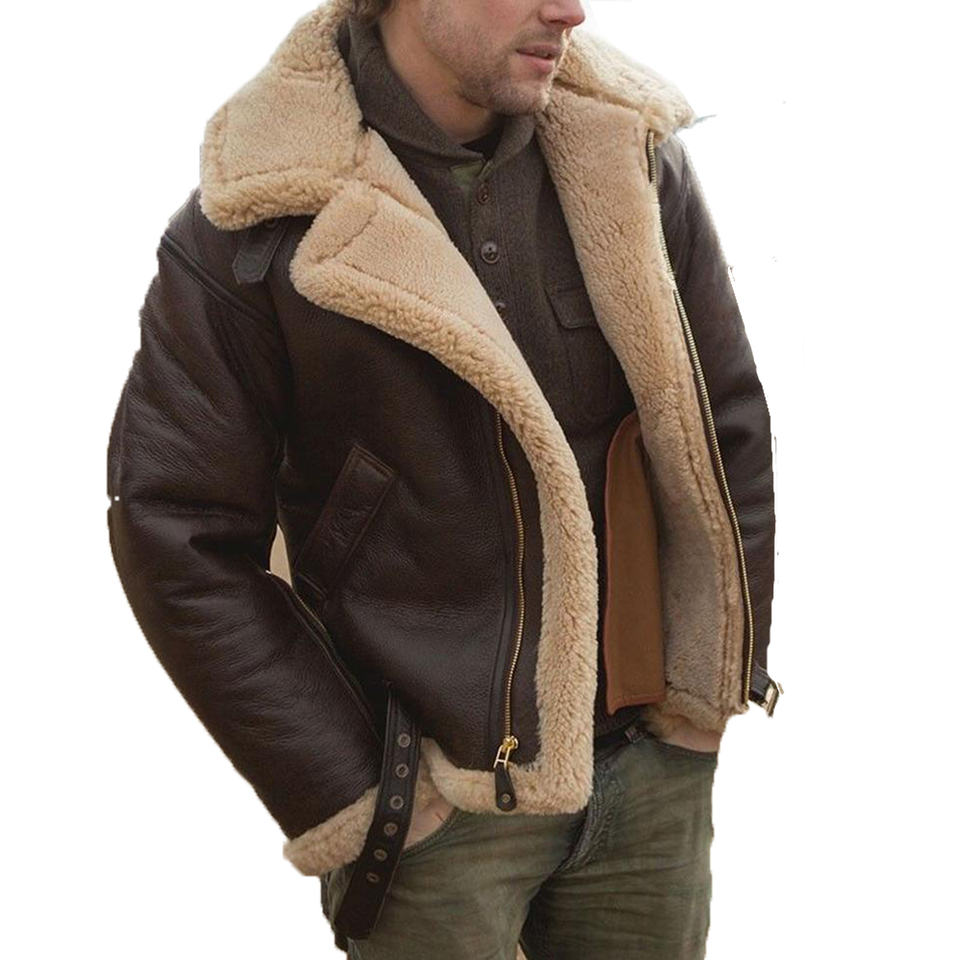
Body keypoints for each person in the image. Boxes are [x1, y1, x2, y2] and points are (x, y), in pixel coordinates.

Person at [105, 0, 782, 956]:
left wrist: (703, 705)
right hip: (428, 808)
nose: (571, 10)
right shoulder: (256, 218)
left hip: (650, 779)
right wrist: (356, 792)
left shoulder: (629, 158)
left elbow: (722, 426)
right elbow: (175, 529)